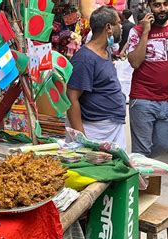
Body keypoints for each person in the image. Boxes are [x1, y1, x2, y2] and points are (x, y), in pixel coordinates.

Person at [127, 0, 168, 157]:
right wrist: (146, 32)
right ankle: (143, 177)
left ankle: (147, 172)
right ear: (149, 6)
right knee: (141, 152)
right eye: (157, 5)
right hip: (142, 99)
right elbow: (135, 62)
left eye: (165, 4)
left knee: (164, 145)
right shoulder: (137, 31)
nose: (162, 9)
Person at [67, 6, 126, 148]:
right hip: (95, 131)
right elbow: (71, 98)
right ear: (108, 27)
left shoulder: (106, 51)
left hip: (112, 128)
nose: (121, 27)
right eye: (118, 23)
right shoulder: (85, 59)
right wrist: (82, 140)